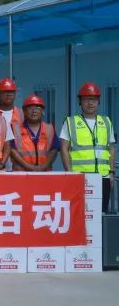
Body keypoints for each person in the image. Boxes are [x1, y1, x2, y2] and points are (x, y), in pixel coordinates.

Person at [60, 82, 115, 213]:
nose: (90, 103)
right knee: (79, 213)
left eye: (94, 100)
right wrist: (69, 172)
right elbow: (63, 149)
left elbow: (111, 148)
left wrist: (111, 172)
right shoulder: (71, 122)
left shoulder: (106, 122)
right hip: (80, 177)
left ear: (98, 102)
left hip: (103, 176)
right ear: (80, 102)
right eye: (86, 99)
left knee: (101, 213)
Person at [10, 94, 59, 172]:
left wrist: (44, 166)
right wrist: (28, 167)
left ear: (42, 111)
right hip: (21, 174)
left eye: (37, 108)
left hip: (44, 173)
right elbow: (12, 150)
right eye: (30, 108)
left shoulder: (49, 129)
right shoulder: (15, 129)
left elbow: (54, 149)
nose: (34, 111)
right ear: (24, 111)